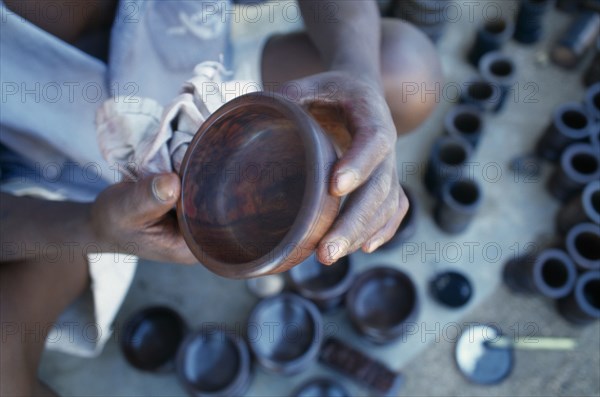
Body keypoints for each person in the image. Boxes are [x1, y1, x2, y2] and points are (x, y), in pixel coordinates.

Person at [0, 0, 442, 395]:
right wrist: (92, 227)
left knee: (404, 73)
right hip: (59, 189)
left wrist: (358, 70)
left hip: (216, 98)